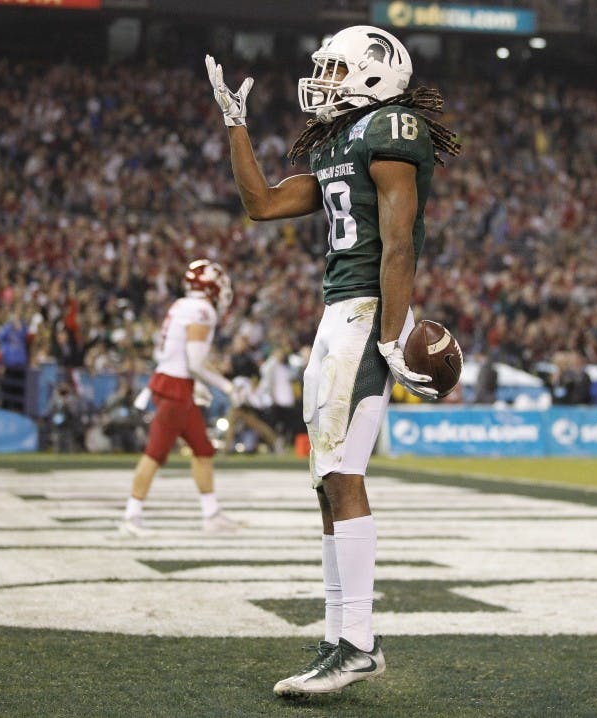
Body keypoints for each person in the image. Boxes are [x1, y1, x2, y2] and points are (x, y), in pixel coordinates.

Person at [206, 24, 460, 696]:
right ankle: (340, 637)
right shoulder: (340, 140)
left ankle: (358, 641)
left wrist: (391, 334)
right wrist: (235, 125)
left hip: (365, 314)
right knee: (325, 479)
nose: (325, 79)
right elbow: (261, 205)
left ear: (376, 74)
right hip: (336, 315)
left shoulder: (394, 130)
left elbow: (398, 244)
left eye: (337, 68)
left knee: (343, 475)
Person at [118, 259, 243, 537]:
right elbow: (196, 361)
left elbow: (173, 354)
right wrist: (227, 385)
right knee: (155, 453)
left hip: (175, 383)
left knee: (202, 449)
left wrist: (193, 383)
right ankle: (131, 516)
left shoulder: (181, 305)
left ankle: (211, 515)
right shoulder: (201, 310)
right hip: (175, 388)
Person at [0, 312, 28, 412]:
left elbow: (26, 334)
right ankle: (5, 406)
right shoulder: (7, 330)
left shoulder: (22, 329)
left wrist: (20, 325)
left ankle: (19, 407)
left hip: (20, 364)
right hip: (9, 364)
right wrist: (10, 326)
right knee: (7, 387)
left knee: (19, 388)